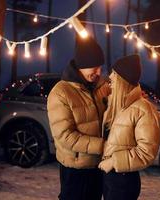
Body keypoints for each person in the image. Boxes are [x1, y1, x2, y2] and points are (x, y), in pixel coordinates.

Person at [47, 36, 110, 200]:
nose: (98, 72)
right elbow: (65, 136)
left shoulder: (102, 86)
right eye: (94, 68)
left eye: (100, 67)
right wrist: (103, 146)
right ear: (81, 65)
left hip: (98, 165)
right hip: (75, 169)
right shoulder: (61, 92)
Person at [98, 54, 160, 200]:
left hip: (124, 181)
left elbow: (147, 152)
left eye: (114, 74)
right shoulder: (115, 106)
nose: (110, 77)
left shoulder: (144, 109)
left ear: (122, 81)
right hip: (109, 178)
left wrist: (113, 161)